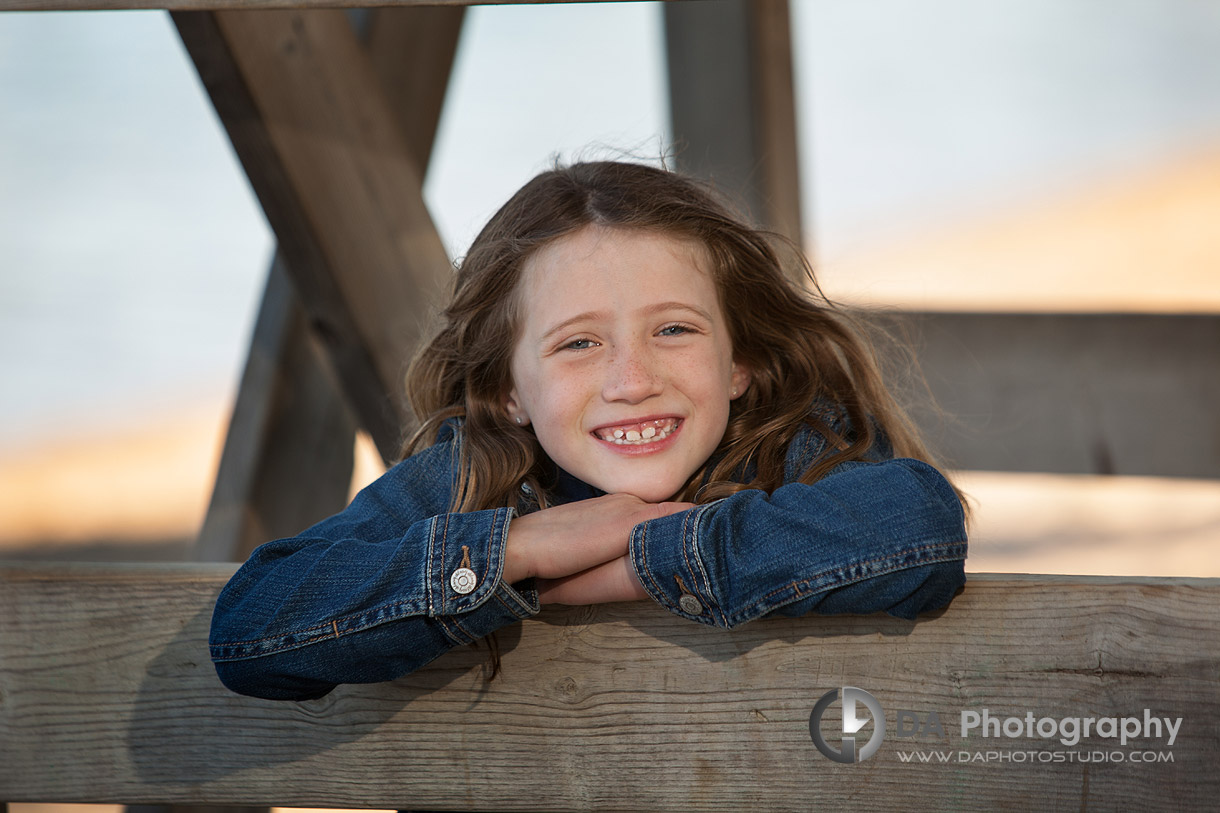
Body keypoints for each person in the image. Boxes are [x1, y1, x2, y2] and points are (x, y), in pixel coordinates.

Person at [209, 160, 969, 701]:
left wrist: (650, 555)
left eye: (673, 329)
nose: (632, 380)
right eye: (578, 343)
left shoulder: (796, 450)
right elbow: (252, 627)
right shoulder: (470, 482)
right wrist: (522, 548)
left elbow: (922, 528)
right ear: (507, 389)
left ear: (739, 362)